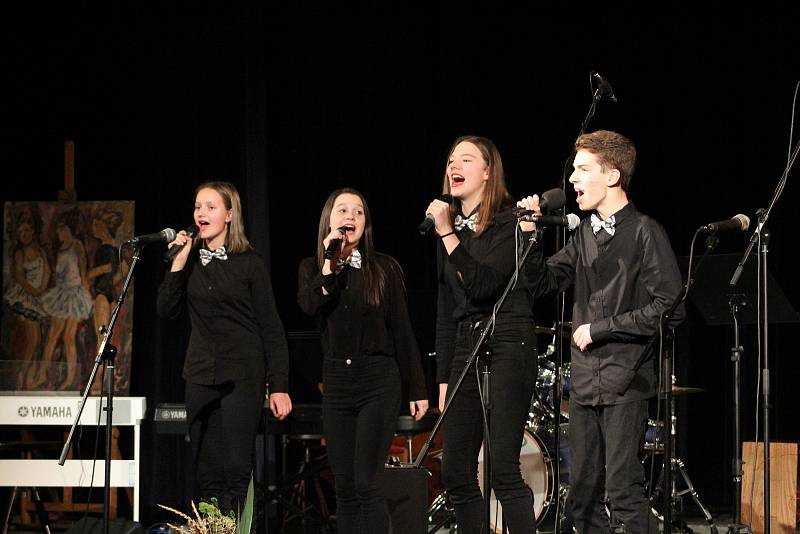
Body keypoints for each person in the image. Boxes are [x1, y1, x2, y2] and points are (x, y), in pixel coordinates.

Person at [518, 130, 684, 533]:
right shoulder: (584, 235)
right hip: (585, 383)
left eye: (582, 169)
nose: (572, 178)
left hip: (626, 379)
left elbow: (670, 309)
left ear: (612, 176)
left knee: (623, 491)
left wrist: (602, 328)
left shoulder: (646, 231)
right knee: (582, 497)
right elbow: (540, 284)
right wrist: (530, 239)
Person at [425, 136, 541, 534]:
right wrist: (443, 376)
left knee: (502, 468)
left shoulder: (510, 221)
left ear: (488, 172)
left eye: (466, 159)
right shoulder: (450, 230)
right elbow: (446, 310)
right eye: (451, 158)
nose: (454, 165)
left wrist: (447, 235)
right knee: (455, 468)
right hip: (464, 346)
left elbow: (484, 285)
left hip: (508, 340)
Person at [297, 187, 429, 534]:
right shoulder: (312, 268)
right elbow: (310, 304)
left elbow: (402, 331)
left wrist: (417, 387)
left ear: (365, 224)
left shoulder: (384, 269)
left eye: (358, 212)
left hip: (378, 380)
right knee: (346, 487)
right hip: (338, 384)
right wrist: (330, 260)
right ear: (329, 220)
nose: (350, 218)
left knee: (366, 482)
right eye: (343, 211)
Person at [157, 181, 292, 513]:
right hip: (200, 375)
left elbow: (271, 328)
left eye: (211, 207)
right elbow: (165, 310)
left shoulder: (250, 264)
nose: (201, 213)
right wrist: (177, 263)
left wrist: (279, 386)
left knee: (235, 468)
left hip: (242, 376)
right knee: (207, 472)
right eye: (197, 206)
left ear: (229, 215)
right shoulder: (188, 264)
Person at [38, 207, 93, 390]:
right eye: (58, 230)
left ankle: (70, 378)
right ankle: (42, 374)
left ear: (69, 230)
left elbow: (83, 269)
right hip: (61, 294)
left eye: (63, 229)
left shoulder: (76, 245)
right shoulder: (59, 249)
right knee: (53, 336)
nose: (60, 233)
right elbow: (56, 274)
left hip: (75, 294)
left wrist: (85, 294)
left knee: (69, 337)